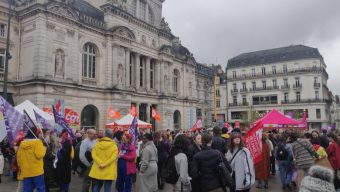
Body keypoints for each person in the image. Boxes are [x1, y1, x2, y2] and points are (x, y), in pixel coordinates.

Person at [17, 127, 46, 192]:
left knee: (27, 189)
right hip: (37, 171)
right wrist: (44, 149)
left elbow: (18, 157)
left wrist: (21, 167)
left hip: (26, 171)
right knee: (40, 188)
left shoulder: (22, 144)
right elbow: (40, 155)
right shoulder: (38, 142)